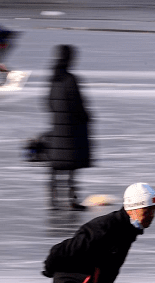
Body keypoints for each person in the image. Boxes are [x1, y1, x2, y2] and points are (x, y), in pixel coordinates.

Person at [48, 44, 92, 210]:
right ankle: (72, 200)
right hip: (71, 130)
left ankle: (53, 201)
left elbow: (48, 103)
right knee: (71, 168)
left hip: (57, 128)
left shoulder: (53, 78)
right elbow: (78, 105)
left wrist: (57, 117)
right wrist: (86, 118)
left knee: (56, 167)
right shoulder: (71, 79)